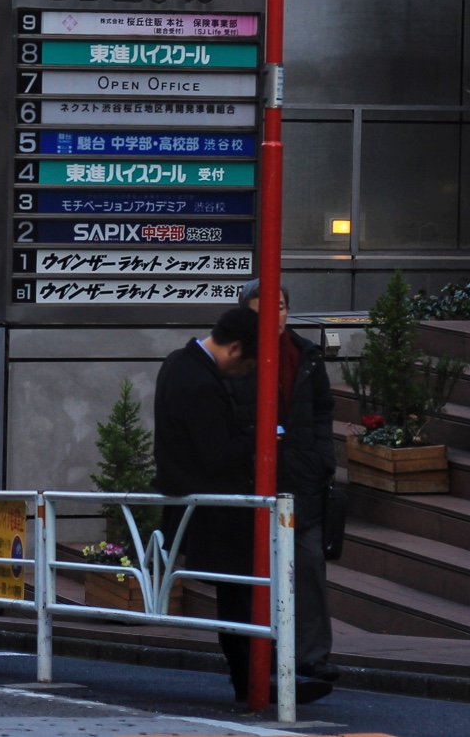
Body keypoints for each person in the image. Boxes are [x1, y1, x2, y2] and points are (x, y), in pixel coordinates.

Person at [155, 307, 329, 707]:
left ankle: (255, 679)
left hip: (195, 498)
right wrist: (262, 435)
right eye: (250, 362)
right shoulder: (201, 384)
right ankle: (252, 682)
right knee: (240, 595)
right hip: (214, 504)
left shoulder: (178, 364)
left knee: (240, 595)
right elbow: (216, 453)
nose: (249, 371)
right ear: (235, 348)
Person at [236, 280, 337, 686]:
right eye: (264, 308)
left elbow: (324, 411)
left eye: (280, 306)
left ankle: (312, 655)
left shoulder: (305, 354)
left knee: (309, 564)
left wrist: (322, 459)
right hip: (251, 477)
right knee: (253, 569)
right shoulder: (236, 356)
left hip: (302, 476)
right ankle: (260, 652)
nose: (274, 315)